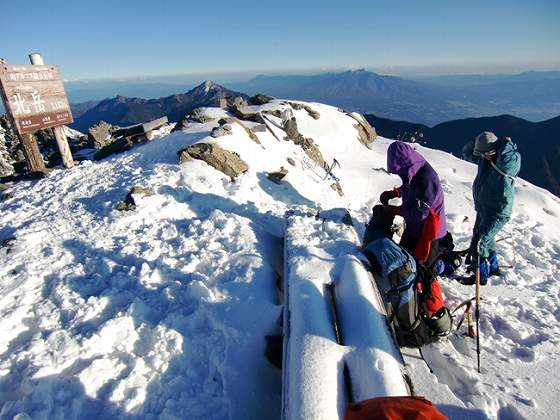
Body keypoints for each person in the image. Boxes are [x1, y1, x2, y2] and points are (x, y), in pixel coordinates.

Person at [461, 131, 521, 285]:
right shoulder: (486, 158)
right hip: (484, 207)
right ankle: (493, 267)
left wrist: (505, 147)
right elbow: (466, 153)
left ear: (494, 150)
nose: (484, 157)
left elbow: (509, 161)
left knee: (480, 242)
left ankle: (480, 276)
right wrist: (477, 140)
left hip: (498, 211)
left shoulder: (507, 161)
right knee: (486, 239)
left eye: (487, 154)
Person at [379, 141, 447, 269]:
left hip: (430, 232)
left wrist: (396, 211)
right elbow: (409, 187)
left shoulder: (427, 178)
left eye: (400, 170)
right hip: (414, 228)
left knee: (422, 268)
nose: (400, 174)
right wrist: (395, 193)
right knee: (405, 260)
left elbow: (422, 212)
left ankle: (439, 268)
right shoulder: (413, 171)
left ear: (406, 163)